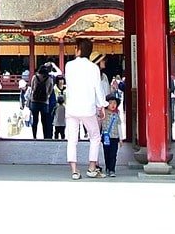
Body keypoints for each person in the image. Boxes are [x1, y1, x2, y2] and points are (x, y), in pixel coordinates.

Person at [65, 37, 107, 180]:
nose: (74, 50)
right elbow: (98, 89)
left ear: (79, 49)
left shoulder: (69, 66)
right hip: (88, 107)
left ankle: (74, 171)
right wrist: (101, 106)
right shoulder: (93, 68)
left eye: (76, 47)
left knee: (72, 139)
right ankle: (92, 167)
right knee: (95, 137)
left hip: (71, 108)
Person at [28, 62, 56, 140]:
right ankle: (45, 137)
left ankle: (34, 136)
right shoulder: (49, 79)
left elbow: (32, 88)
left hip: (34, 101)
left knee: (35, 120)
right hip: (44, 102)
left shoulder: (34, 77)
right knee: (44, 121)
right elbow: (50, 90)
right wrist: (46, 95)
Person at [101, 93, 123, 177]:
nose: (113, 105)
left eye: (114, 103)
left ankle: (112, 169)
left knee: (113, 154)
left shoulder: (117, 115)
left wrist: (121, 138)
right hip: (106, 137)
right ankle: (107, 167)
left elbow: (119, 126)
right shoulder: (104, 113)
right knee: (106, 153)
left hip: (115, 137)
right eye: (110, 103)